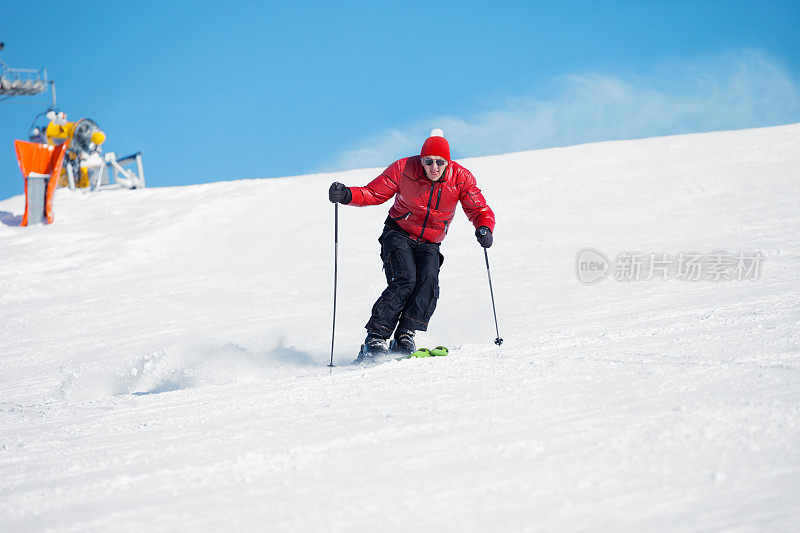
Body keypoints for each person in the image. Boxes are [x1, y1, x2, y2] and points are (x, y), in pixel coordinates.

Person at [329, 129, 495, 362]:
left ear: (448, 162)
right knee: (405, 278)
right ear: (421, 160)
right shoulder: (403, 169)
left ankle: (405, 334)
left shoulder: (461, 178)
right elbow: (374, 193)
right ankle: (375, 338)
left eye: (440, 162)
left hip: (430, 241)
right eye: (428, 162)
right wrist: (346, 194)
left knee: (428, 279)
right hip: (398, 233)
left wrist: (484, 228)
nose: (434, 167)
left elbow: (479, 210)